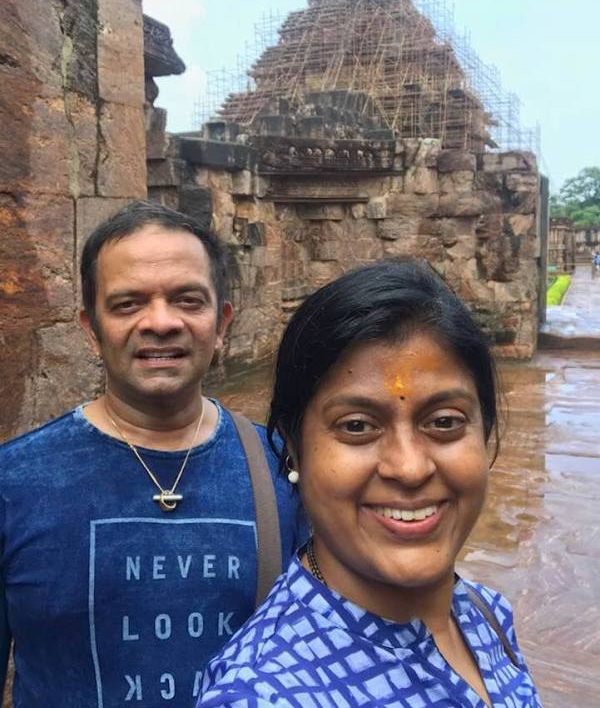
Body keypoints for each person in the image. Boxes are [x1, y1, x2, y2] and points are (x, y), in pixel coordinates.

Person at [198, 259, 543, 708]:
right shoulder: (264, 694)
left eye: (444, 421)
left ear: (485, 432)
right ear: (294, 448)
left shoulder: (484, 613)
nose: (409, 467)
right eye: (357, 426)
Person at [0, 201, 305, 707]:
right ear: (90, 329)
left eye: (188, 300)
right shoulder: (14, 484)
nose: (161, 323)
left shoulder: (286, 472)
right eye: (127, 304)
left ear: (221, 321)